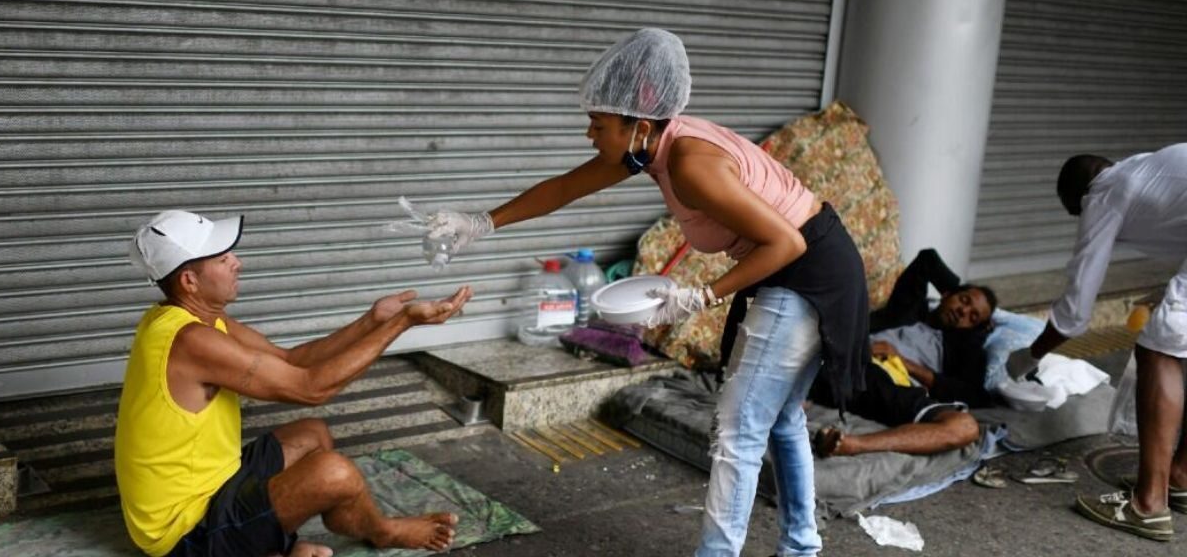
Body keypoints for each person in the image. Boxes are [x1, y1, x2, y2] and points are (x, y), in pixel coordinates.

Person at [424, 28, 869, 557]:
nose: (590, 135)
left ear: (637, 123)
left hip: (807, 269)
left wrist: (702, 296)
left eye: (598, 124)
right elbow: (563, 188)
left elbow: (787, 242)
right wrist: (480, 222)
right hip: (804, 260)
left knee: (738, 428)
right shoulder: (652, 147)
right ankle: (802, 547)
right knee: (778, 417)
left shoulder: (690, 162)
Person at [116, 209, 472, 557]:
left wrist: (373, 322)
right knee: (334, 474)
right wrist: (403, 323)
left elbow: (290, 360)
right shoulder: (192, 340)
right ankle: (382, 531)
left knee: (313, 435)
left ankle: (277, 544)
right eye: (223, 259)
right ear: (189, 281)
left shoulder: (186, 318)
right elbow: (310, 388)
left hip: (216, 483)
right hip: (184, 531)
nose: (237, 263)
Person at [1008, 145, 1187, 542]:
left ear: (1079, 199)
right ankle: (1179, 477)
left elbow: (1075, 313)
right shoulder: (1143, 169)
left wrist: (1029, 355)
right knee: (1175, 340)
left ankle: (1148, 505)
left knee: (1158, 349)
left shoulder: (1104, 192)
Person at [810, 249, 994, 457]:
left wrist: (904, 362)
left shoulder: (961, 348)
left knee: (964, 427)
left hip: (884, 380)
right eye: (965, 300)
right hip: (840, 355)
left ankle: (852, 444)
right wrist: (952, 292)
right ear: (948, 294)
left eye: (973, 317)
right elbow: (927, 259)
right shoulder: (906, 309)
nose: (963, 312)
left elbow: (976, 395)